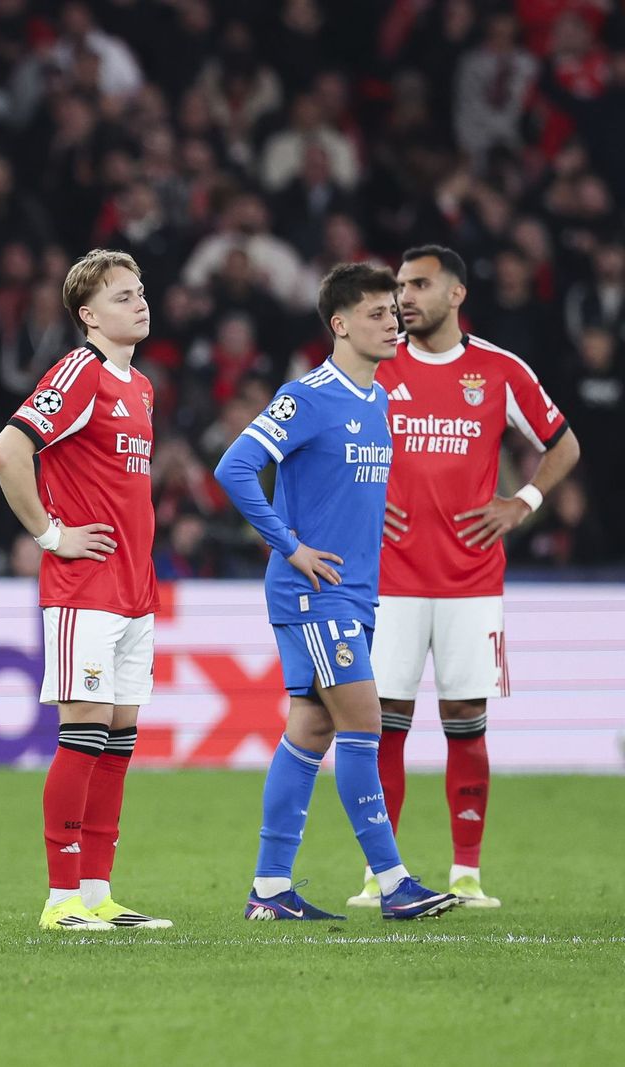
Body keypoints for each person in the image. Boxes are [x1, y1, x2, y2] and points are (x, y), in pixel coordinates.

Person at [214, 262, 458, 922]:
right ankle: (394, 881)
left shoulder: (378, 400)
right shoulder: (307, 395)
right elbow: (234, 467)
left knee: (312, 729)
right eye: (379, 313)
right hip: (311, 592)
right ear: (340, 324)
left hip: (354, 592)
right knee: (364, 721)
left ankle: (269, 889)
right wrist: (288, 545)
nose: (394, 321)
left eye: (395, 312)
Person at [346, 246, 581, 909]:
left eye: (419, 285)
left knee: (466, 719)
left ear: (456, 294)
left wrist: (522, 503)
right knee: (383, 722)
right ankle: (380, 874)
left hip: (471, 580)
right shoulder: (373, 367)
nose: (404, 297)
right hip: (387, 581)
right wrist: (359, 498)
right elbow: (322, 443)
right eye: (398, 287)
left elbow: (563, 442)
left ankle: (467, 875)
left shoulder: (500, 371)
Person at [0, 249, 170, 932]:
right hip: (85, 586)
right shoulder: (81, 370)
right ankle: (61, 897)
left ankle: (98, 893)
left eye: (141, 291)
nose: (140, 303)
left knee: (118, 739)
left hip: (133, 589)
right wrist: (49, 533)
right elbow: (9, 450)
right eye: (123, 296)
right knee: (84, 731)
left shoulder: (141, 386)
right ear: (89, 314)